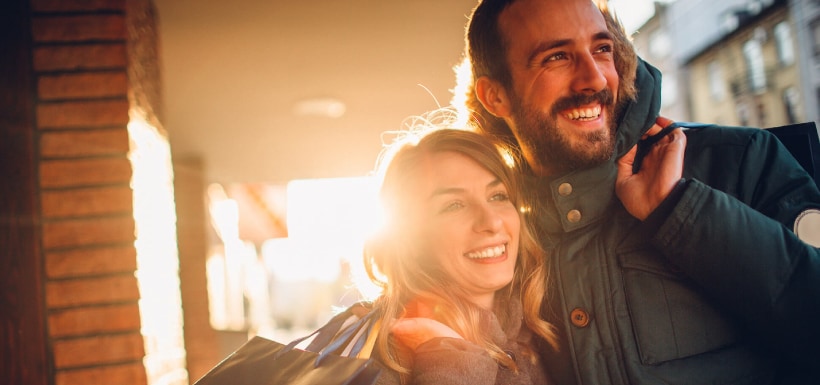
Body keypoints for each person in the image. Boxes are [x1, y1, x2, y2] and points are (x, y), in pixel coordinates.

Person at [457, 0, 820, 384]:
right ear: (494, 96)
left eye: (602, 49)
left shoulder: (740, 162)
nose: (595, 79)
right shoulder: (496, 237)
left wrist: (681, 212)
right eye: (557, 57)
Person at [349, 127, 559, 385]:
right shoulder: (382, 356)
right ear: (411, 237)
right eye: (454, 205)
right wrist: (452, 360)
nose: (491, 221)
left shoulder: (539, 329)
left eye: (498, 196)